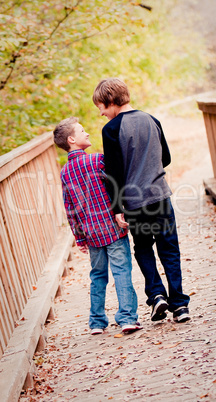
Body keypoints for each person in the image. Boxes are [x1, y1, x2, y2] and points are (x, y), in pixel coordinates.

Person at [93, 78, 190, 323]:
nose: (102, 113)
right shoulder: (152, 120)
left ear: (112, 101)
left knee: (144, 248)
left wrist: (117, 209)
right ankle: (180, 306)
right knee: (169, 250)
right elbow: (165, 158)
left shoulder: (112, 129)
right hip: (160, 197)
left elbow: (113, 174)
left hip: (135, 203)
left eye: (102, 107)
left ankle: (157, 295)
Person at [53, 116, 142, 335]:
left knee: (97, 276)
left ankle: (96, 322)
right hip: (112, 229)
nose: (88, 133)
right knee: (121, 271)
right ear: (72, 139)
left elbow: (70, 208)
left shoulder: (65, 173)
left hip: (91, 234)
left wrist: (80, 237)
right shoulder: (97, 161)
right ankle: (127, 317)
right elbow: (116, 186)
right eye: (82, 131)